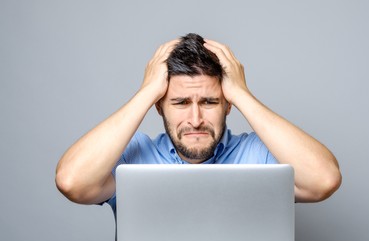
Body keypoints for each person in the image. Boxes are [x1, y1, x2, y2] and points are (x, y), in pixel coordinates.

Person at [55, 33, 342, 214]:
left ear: (228, 104)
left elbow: (324, 180)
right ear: (159, 105)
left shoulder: (260, 154)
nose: (195, 120)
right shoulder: (134, 158)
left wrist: (242, 94)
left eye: (209, 102)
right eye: (180, 103)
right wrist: (145, 93)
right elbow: (72, 182)